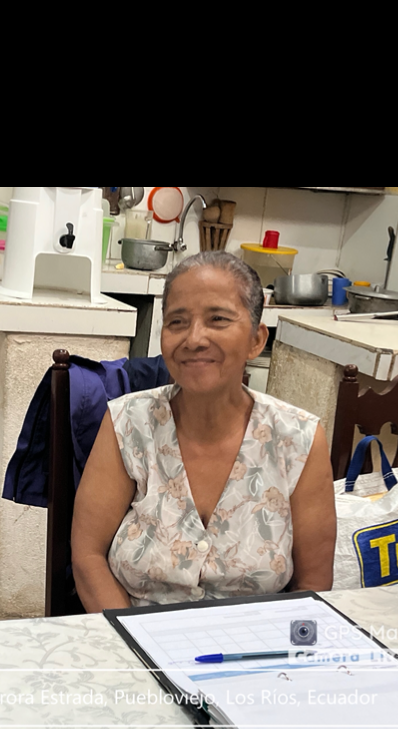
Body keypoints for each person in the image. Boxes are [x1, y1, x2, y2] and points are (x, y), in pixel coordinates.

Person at [71, 253, 337, 609]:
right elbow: (88, 556)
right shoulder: (128, 422)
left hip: (256, 637)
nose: (194, 339)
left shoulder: (298, 439)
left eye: (218, 319)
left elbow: (313, 584)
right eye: (177, 322)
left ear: (257, 340)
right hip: (135, 632)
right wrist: (130, 638)